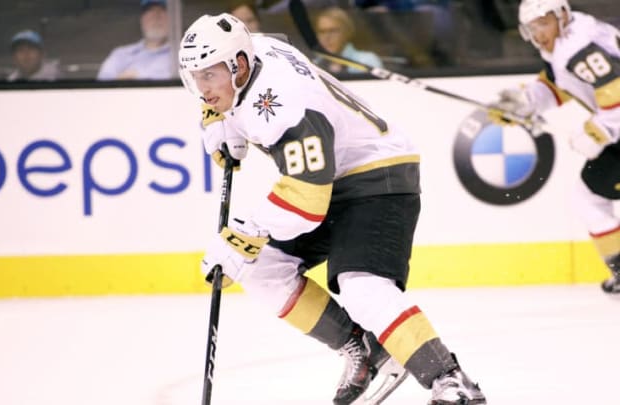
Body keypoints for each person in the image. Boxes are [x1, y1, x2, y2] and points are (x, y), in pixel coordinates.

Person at [179, 13, 487, 405]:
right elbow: (263, 42)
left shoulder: (287, 106)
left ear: (238, 66)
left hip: (378, 175)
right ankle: (367, 352)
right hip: (327, 176)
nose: (202, 88)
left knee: (362, 288)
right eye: (195, 78)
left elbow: (307, 201)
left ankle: (450, 379)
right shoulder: (252, 51)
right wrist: (220, 118)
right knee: (260, 269)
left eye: (209, 76)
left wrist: (244, 235)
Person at [489, 0, 620, 295]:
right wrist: (525, 103)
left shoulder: (577, 46)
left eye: (543, 23)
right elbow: (561, 85)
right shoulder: (570, 39)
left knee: (588, 200)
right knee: (587, 199)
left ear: (562, 16)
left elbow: (617, 95)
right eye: (533, 28)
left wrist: (596, 132)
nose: (539, 34)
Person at [96, 0, 172, 80]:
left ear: (173, 19)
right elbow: (100, 88)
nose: (156, 16)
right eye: (150, 11)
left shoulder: (182, 55)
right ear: (141, 19)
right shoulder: (120, 55)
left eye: (162, 10)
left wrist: (136, 78)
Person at [313, 6, 384, 74]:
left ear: (347, 32)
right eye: (322, 32)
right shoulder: (315, 64)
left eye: (332, 31)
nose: (327, 37)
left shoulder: (367, 61)